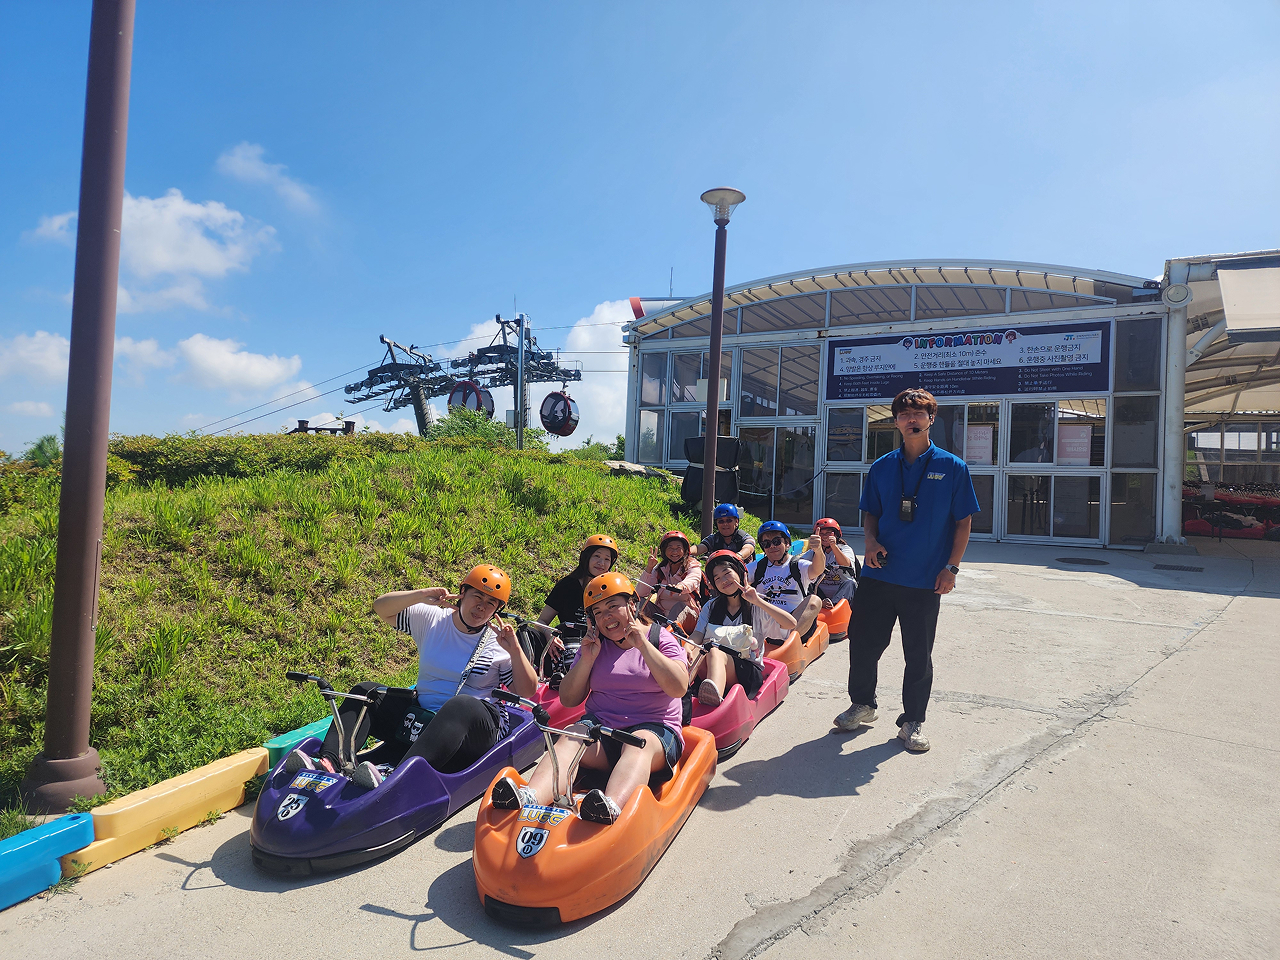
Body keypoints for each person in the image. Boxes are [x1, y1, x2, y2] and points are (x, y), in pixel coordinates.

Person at [284, 564, 538, 788]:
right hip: (426, 716)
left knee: (460, 705)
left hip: (476, 727)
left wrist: (515, 651)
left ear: (497, 610)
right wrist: (421, 595)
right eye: (477, 597)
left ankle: (397, 775)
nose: (481, 607)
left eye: (490, 603)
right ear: (462, 594)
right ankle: (330, 761)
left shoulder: (499, 642)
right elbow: (381, 607)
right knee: (366, 692)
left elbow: (527, 691)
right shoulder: (432, 619)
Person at [834, 388, 979, 753]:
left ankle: (912, 721)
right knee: (864, 645)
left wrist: (952, 568)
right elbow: (872, 514)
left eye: (919, 414)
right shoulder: (882, 466)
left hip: (925, 580)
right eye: (903, 414)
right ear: (895, 421)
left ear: (931, 419)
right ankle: (863, 705)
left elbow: (963, 523)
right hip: (880, 575)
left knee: (917, 654)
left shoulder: (952, 467)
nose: (911, 420)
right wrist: (869, 542)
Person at [491, 573, 688, 824]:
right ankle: (531, 797)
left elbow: (679, 687)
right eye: (597, 612)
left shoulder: (660, 638)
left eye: (612, 606)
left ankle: (611, 806)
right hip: (603, 734)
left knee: (640, 741)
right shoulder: (595, 645)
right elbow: (569, 699)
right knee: (572, 735)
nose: (606, 617)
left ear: (632, 604)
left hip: (655, 732)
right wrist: (587, 659)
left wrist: (642, 646)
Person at [687, 551, 796, 706]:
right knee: (696, 650)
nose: (723, 581)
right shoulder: (711, 606)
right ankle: (680, 691)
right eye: (717, 578)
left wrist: (758, 601)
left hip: (747, 673)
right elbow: (698, 633)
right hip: (712, 663)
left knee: (714, 651)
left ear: (739, 572)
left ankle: (714, 700)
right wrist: (687, 648)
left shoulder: (756, 605)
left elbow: (790, 624)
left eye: (727, 573)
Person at [527, 534, 619, 672]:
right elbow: (541, 621)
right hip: (565, 649)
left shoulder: (611, 590)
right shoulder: (567, 585)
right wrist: (550, 637)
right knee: (528, 633)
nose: (601, 563)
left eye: (607, 559)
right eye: (597, 556)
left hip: (599, 649)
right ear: (585, 558)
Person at [751, 522, 825, 646]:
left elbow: (817, 570)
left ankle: (788, 643)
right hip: (768, 624)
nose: (772, 546)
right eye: (766, 544)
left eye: (776, 541)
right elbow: (739, 577)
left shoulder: (797, 565)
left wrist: (818, 551)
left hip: (795, 624)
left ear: (787, 543)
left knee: (815, 601)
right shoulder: (758, 567)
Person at [635, 530, 702, 623]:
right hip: (662, 613)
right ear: (664, 551)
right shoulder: (660, 569)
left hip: (688, 615)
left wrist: (680, 587)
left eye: (678, 548)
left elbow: (693, 580)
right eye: (670, 548)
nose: (674, 551)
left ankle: (665, 634)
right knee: (639, 603)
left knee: (678, 606)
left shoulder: (692, 566)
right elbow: (640, 593)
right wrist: (649, 568)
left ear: (685, 550)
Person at [799, 518, 859, 612]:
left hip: (842, 590)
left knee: (850, 583)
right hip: (820, 591)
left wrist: (833, 546)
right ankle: (820, 605)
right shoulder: (813, 552)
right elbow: (798, 566)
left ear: (836, 534)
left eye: (828, 533)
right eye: (821, 534)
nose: (824, 536)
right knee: (806, 583)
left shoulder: (845, 549)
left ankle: (833, 608)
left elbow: (846, 564)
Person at [690, 503, 757, 564]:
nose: (725, 524)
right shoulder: (713, 539)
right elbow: (698, 548)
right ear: (716, 524)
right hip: (720, 575)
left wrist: (738, 556)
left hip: (745, 574)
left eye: (729, 520)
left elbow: (749, 548)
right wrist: (686, 552)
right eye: (721, 521)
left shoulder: (745, 537)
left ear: (736, 522)